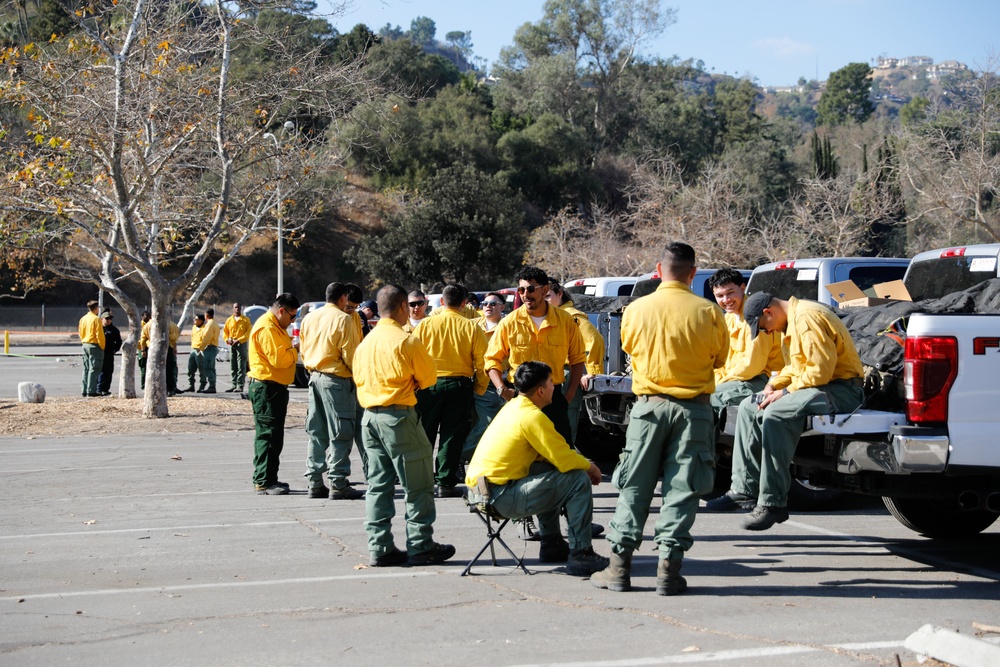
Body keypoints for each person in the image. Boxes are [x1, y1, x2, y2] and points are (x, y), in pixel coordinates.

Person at [591, 242, 728, 596]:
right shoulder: (708, 312)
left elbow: (631, 348)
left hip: (648, 408)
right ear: (693, 273)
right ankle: (669, 570)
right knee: (683, 489)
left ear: (658, 269)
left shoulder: (636, 309)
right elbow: (720, 358)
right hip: (693, 410)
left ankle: (618, 568)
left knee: (634, 485)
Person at [707, 291, 864, 530]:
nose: (766, 332)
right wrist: (773, 385)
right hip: (815, 386)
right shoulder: (790, 321)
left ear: (768, 312)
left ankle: (773, 503)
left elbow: (819, 372)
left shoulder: (807, 318)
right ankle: (744, 488)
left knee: (776, 413)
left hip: (841, 390)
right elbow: (793, 368)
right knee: (751, 405)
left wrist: (784, 393)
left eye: (763, 327)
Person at [466, 361, 610, 576]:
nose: (554, 386)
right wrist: (591, 467)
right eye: (552, 382)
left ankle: (552, 543)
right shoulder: (532, 417)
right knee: (577, 479)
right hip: (499, 497)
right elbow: (564, 458)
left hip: (482, 493)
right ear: (541, 390)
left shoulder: (513, 407)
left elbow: (553, 457)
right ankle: (582, 554)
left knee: (546, 469)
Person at [353, 284, 455, 568]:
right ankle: (421, 544)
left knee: (378, 485)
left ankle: (380, 546)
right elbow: (429, 378)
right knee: (418, 483)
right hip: (398, 416)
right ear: (401, 307)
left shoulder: (365, 343)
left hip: (369, 418)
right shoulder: (406, 340)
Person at [484, 266, 586, 445]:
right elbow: (491, 360)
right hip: (520, 398)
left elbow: (577, 359)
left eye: (531, 289)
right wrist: (502, 390)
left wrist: (567, 396)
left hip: (554, 398)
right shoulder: (509, 323)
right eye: (521, 290)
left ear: (545, 290)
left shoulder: (566, 321)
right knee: (520, 454)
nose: (525, 294)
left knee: (560, 453)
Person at [412, 284, 488, 498]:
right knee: (452, 435)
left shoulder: (425, 325)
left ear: (442, 302)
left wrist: (415, 383)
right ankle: (445, 482)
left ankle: (422, 480)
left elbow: (413, 355)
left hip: (428, 385)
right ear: (464, 303)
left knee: (424, 432)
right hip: (459, 385)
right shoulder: (472, 327)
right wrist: (479, 387)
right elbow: (483, 361)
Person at [299, 282, 365, 500]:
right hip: (336, 380)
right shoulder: (343, 319)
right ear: (343, 298)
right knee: (341, 432)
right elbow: (351, 356)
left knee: (317, 432)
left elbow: (303, 349)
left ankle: (315, 482)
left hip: (314, 377)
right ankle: (338, 482)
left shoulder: (310, 318)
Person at [707, 269, 784, 432]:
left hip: (761, 379)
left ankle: (706, 453)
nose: (726, 300)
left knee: (709, 397)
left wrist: (720, 382)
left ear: (742, 288)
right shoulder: (727, 318)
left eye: (730, 293)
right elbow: (718, 358)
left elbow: (752, 366)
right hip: (734, 379)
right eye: (720, 296)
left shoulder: (756, 315)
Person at [247, 293, 300, 495]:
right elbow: (280, 360)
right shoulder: (268, 328)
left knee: (274, 436)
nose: (293, 320)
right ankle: (263, 481)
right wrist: (295, 350)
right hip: (267, 388)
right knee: (268, 435)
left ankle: (269, 477)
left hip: (274, 388)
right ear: (281, 311)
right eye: (292, 316)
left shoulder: (276, 327)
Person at [545, 279, 606, 445]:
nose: (545, 300)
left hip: (565, 377)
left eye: (548, 296)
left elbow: (594, 340)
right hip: (545, 377)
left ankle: (565, 468)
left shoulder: (571, 316)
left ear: (560, 294)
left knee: (564, 426)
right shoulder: (546, 316)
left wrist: (592, 372)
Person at [461, 291, 507, 462]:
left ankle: (461, 456)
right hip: (470, 379)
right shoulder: (472, 324)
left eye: (493, 303)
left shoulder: (508, 325)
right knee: (473, 422)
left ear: (502, 307)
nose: (488, 306)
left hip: (494, 381)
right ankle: (465, 458)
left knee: (489, 422)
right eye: (485, 304)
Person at [78, 300, 105, 397]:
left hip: (85, 344)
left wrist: (83, 341)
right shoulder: (96, 319)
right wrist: (102, 346)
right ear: (96, 308)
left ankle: (84, 390)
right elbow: (99, 334)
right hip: (94, 345)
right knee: (94, 368)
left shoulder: (83, 319)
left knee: (86, 368)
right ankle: (91, 390)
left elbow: (80, 332)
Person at [224, 303, 251, 393]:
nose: (237, 309)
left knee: (241, 366)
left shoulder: (245, 320)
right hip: (232, 345)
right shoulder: (229, 320)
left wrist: (239, 340)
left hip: (241, 344)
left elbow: (247, 333)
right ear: (233, 309)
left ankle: (240, 385)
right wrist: (227, 339)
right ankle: (233, 384)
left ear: (241, 308)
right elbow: (225, 332)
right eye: (235, 307)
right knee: (233, 365)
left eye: (239, 307)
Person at [96, 309, 123, 396]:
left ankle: (106, 389)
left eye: (110, 319)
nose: (109, 320)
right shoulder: (99, 329)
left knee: (108, 371)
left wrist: (115, 350)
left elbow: (118, 341)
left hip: (109, 353)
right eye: (107, 318)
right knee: (100, 371)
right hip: (100, 353)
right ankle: (98, 389)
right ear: (102, 319)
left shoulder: (114, 330)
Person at [199, 308, 221, 393]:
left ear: (207, 315)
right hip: (213, 347)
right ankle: (212, 385)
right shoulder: (215, 324)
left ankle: (212, 386)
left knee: (207, 367)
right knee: (211, 367)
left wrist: (201, 348)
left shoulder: (209, 325)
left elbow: (206, 338)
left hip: (210, 347)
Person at [184, 313, 207, 393]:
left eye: (196, 319)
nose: (195, 320)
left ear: (201, 320)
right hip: (193, 349)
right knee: (190, 369)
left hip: (200, 350)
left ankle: (202, 385)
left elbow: (205, 340)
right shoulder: (194, 327)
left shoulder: (205, 328)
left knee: (201, 369)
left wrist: (201, 348)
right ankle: (191, 385)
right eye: (194, 319)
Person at [137, 310, 151, 389]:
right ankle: (143, 385)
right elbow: (142, 338)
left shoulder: (150, 324)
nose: (148, 317)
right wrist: (142, 350)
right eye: (146, 316)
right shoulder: (140, 325)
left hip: (149, 347)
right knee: (143, 368)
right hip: (142, 348)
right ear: (142, 317)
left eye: (149, 316)